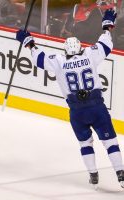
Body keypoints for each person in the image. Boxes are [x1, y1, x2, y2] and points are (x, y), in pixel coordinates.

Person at [16, 9, 124, 188]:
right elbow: (106, 45)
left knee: (85, 143)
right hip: (97, 107)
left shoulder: (59, 61)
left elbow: (39, 60)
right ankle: (121, 175)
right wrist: (107, 27)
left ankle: (93, 175)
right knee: (110, 141)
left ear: (66, 50)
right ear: (80, 47)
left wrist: (29, 43)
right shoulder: (90, 54)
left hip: (77, 111)